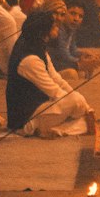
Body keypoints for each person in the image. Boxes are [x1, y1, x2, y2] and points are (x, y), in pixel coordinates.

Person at [5, 9, 95, 137]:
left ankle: (69, 125)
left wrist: (85, 106)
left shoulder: (38, 47)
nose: (57, 29)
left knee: (77, 99)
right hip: (26, 119)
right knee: (75, 103)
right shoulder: (29, 60)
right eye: (54, 27)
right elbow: (54, 92)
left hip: (41, 106)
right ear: (44, 31)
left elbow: (57, 79)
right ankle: (53, 128)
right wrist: (80, 107)